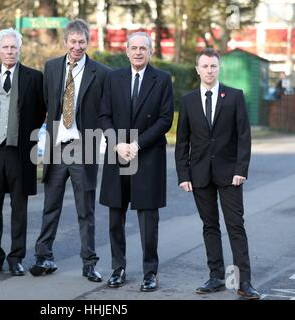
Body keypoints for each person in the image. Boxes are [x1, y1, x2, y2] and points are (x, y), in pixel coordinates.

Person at [174, 47, 261, 299]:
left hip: (230, 174)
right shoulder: (188, 100)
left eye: (213, 66)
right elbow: (182, 142)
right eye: (205, 66)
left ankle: (244, 282)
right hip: (199, 174)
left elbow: (244, 138)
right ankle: (215, 277)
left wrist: (241, 169)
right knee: (209, 226)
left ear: (218, 68)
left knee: (235, 226)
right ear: (197, 69)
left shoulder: (234, 96)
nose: (209, 70)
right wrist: (184, 174)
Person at [29, 19, 109, 282]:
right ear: (65, 42)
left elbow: (105, 112)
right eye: (73, 42)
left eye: (82, 42)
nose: (77, 46)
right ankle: (44, 257)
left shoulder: (101, 73)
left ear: (88, 43)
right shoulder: (51, 68)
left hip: (83, 148)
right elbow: (45, 107)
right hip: (55, 148)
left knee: (85, 210)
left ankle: (89, 263)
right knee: (50, 206)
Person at [98, 32, 174, 291]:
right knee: (115, 216)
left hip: (147, 156)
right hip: (117, 154)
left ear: (150, 52)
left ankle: (150, 273)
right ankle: (117, 269)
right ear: (127, 51)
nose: (138, 52)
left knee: (148, 219)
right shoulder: (112, 78)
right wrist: (117, 143)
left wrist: (137, 144)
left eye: (143, 48)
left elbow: (165, 119)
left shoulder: (162, 79)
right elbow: (104, 115)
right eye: (134, 48)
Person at [0, 28, 45, 276]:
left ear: (19, 49)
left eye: (13, 47)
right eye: (5, 47)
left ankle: (16, 257)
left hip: (20, 152)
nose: (9, 51)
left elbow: (40, 113)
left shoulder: (34, 77)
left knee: (19, 207)